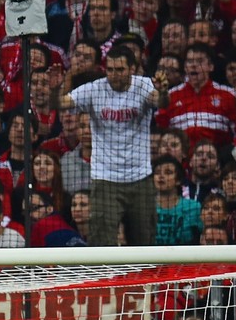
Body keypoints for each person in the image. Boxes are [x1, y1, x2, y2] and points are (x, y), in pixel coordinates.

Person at [60, 47, 168, 246]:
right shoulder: (95, 89)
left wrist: (162, 91)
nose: (114, 75)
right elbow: (60, 103)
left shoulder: (143, 86)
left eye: (120, 69)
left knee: (144, 242)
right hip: (105, 179)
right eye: (110, 69)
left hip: (140, 177)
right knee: (101, 244)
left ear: (132, 69)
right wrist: (67, 77)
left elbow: (160, 102)